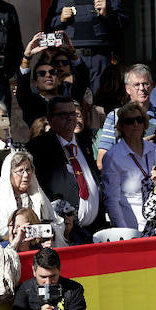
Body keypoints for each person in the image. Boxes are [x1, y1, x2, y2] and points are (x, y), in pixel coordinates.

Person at [46, 0, 128, 84]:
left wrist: (107, 13)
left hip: (100, 58)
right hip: (70, 59)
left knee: (100, 101)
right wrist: (60, 19)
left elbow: (124, 22)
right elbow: (48, 26)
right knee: (73, 103)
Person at [29, 96, 102, 239]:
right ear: (50, 118)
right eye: (63, 114)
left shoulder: (84, 142)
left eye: (72, 113)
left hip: (94, 229)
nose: (69, 118)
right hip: (63, 232)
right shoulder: (39, 147)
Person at [0, 148, 64, 245]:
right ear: (9, 174)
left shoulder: (38, 195)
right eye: (20, 171)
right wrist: (20, 231)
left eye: (28, 170)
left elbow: (58, 223)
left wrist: (47, 230)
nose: (26, 175)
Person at [102, 102, 156, 234]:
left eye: (139, 120)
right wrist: (123, 231)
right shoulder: (112, 157)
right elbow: (112, 200)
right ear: (121, 126)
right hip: (132, 228)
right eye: (129, 121)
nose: (135, 124)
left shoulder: (154, 150)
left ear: (145, 123)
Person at [96, 65, 156, 170]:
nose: (142, 88)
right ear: (128, 89)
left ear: (152, 86)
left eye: (145, 84)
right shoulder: (115, 117)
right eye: (136, 85)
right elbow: (101, 162)